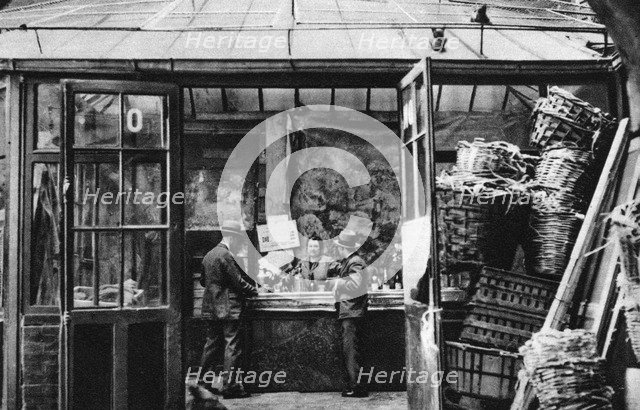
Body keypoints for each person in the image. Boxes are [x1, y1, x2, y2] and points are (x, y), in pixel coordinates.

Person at [199, 220, 258, 399]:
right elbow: (238, 282)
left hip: (210, 308)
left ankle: (203, 384)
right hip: (229, 309)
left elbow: (203, 281)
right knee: (232, 346)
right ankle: (231, 387)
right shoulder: (225, 255)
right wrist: (255, 290)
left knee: (211, 346)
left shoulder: (209, 255)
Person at [328, 230, 369, 398]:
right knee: (349, 350)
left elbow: (355, 285)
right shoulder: (349, 261)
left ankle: (357, 387)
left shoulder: (356, 261)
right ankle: (354, 384)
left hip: (352, 313)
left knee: (351, 351)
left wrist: (337, 282)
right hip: (349, 312)